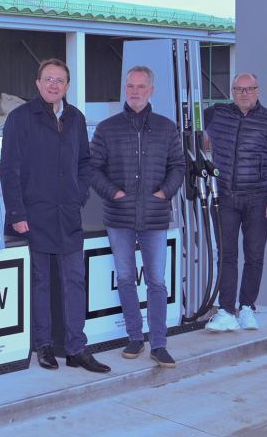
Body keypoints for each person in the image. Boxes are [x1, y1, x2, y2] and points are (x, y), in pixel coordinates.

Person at [0, 58, 111, 375]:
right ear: (37, 83)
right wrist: (17, 212)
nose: (53, 85)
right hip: (35, 215)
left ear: (67, 85)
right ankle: (44, 345)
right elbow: (9, 169)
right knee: (41, 282)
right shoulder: (21, 118)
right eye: (48, 79)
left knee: (75, 281)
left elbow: (85, 162)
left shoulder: (75, 118)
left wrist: (79, 194)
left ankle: (76, 348)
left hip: (68, 214)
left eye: (60, 80)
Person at [90, 65, 185, 368]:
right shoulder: (107, 128)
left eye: (141, 86)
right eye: (130, 86)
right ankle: (135, 337)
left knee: (156, 281)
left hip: (155, 216)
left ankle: (159, 343)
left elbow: (178, 166)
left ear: (151, 90)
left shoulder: (166, 128)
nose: (135, 91)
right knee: (127, 278)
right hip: (119, 216)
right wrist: (115, 193)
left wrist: (163, 194)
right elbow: (92, 168)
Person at [202, 73, 267, 332]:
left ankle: (247, 308)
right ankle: (227, 311)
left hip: (258, 199)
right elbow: (191, 121)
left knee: (254, 256)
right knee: (227, 255)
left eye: (249, 89)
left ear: (258, 91)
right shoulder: (216, 114)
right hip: (226, 197)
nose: (244, 94)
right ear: (232, 91)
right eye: (239, 89)